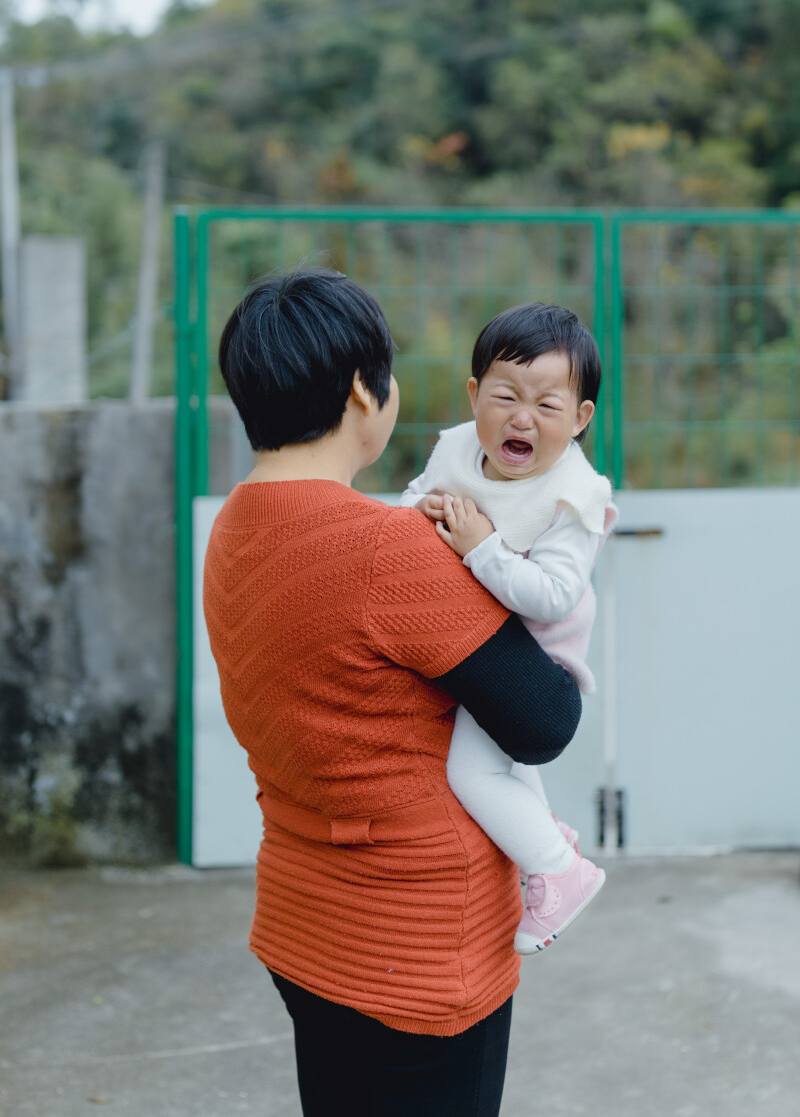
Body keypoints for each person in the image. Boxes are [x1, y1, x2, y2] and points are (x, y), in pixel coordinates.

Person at [202, 269, 582, 1117]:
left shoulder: (232, 530)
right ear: (361, 395)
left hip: (303, 926)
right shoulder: (390, 550)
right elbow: (545, 721)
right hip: (418, 947)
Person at [400, 302, 615, 955]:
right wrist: (420, 512)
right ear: (474, 396)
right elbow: (415, 497)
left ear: (580, 420)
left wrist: (481, 547)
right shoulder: (457, 448)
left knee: (473, 774)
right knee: (502, 770)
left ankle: (557, 866)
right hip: (475, 647)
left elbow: (553, 597)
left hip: (537, 665)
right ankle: (549, 836)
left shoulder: (573, 497)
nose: (522, 418)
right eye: (504, 396)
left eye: (548, 407)